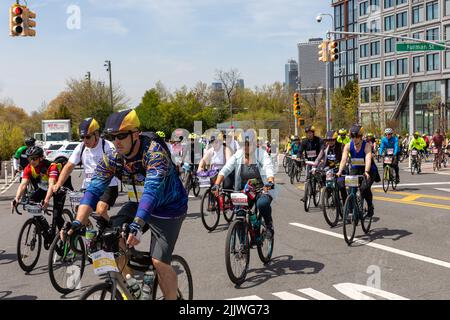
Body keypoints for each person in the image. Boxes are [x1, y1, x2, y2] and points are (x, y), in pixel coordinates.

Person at [64, 109, 188, 300]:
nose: (117, 141)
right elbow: (94, 189)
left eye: (121, 136)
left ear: (135, 134)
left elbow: (151, 193)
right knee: (112, 239)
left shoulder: (155, 154)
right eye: (112, 137)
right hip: (137, 203)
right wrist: (77, 222)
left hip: (168, 208)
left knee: (159, 262)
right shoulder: (114, 157)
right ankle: (131, 286)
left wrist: (137, 225)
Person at [52, 118, 119, 221]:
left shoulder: (107, 146)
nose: (85, 140)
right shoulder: (81, 147)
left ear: (96, 134)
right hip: (88, 186)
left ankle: (113, 233)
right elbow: (69, 166)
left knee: (100, 211)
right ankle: (90, 232)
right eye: (82, 137)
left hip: (108, 185)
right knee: (79, 211)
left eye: (87, 137)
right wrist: (58, 184)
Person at [212, 130, 275, 238]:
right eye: (243, 145)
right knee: (240, 214)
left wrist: (270, 181)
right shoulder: (238, 155)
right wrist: (217, 184)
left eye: (248, 144)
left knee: (262, 204)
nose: (245, 147)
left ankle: (269, 224)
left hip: (261, 188)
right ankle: (242, 247)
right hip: (243, 190)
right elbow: (226, 169)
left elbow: (268, 167)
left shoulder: (261, 154)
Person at [12, 146, 70, 229]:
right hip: (44, 188)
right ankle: (45, 229)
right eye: (29, 159)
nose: (32, 161)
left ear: (41, 158)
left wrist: (46, 200)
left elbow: (51, 185)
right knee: (31, 201)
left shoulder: (51, 166)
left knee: (57, 216)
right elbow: (23, 184)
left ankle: (65, 236)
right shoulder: (28, 168)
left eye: (34, 158)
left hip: (57, 189)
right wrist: (16, 198)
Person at [337, 124, 377, 217]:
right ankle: (351, 207)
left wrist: (366, 171)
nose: (354, 139)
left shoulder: (366, 145)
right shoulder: (348, 145)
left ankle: (370, 206)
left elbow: (368, 159)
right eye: (352, 137)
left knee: (364, 188)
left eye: (357, 137)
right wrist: (339, 171)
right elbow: (344, 159)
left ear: (361, 137)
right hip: (355, 169)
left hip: (369, 170)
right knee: (351, 189)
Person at [313, 130, 347, 202]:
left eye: (332, 140)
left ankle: (346, 205)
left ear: (335, 140)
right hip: (329, 168)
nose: (330, 142)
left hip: (340, 169)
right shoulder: (325, 147)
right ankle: (327, 191)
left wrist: (344, 165)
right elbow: (319, 157)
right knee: (320, 175)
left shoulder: (341, 146)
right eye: (328, 140)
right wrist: (314, 167)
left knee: (341, 186)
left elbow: (345, 158)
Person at [299, 126, 323, 202]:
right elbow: (300, 150)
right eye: (307, 133)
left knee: (318, 176)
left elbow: (322, 149)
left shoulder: (318, 140)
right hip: (309, 162)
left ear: (313, 133)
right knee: (307, 178)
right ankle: (305, 195)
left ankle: (321, 188)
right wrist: (298, 156)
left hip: (317, 161)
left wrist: (320, 159)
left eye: (310, 133)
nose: (309, 134)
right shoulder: (304, 141)